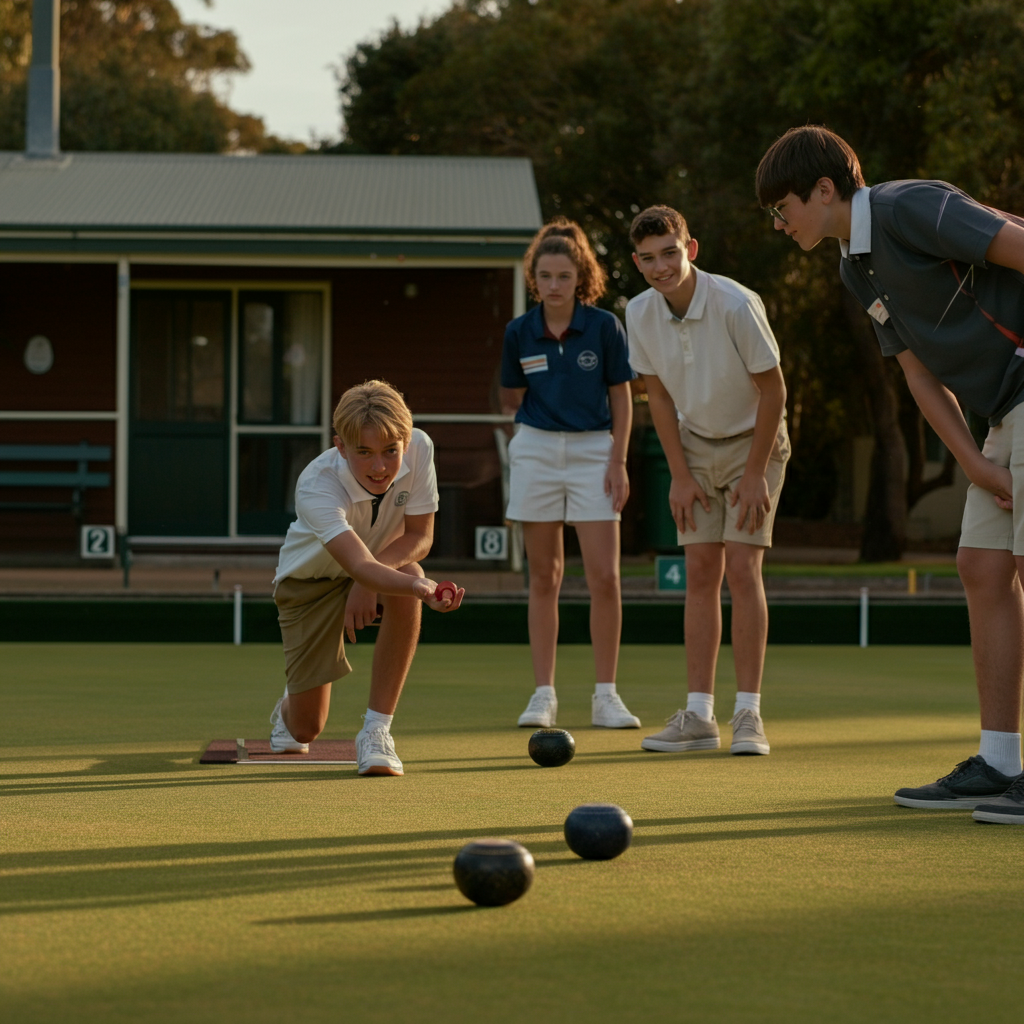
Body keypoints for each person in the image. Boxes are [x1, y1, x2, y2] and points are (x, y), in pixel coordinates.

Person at [756, 124, 1024, 824]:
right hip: (1003, 413)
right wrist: (971, 461)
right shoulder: (854, 264)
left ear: (822, 189)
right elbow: (918, 373)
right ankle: (1000, 759)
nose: (779, 224)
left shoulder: (910, 206)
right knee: (981, 566)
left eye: (782, 207)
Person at [626, 206, 789, 756]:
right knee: (700, 570)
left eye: (669, 252)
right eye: (648, 258)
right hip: (694, 447)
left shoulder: (736, 303)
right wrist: (678, 474)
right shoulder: (638, 312)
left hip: (756, 441)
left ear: (689, 248)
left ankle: (749, 715)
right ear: (637, 262)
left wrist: (752, 475)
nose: (661, 266)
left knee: (742, 567)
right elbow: (660, 397)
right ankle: (698, 717)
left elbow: (774, 393)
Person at [268, 379, 464, 776]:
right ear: (341, 447)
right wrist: (403, 585)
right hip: (310, 583)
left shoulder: (420, 448)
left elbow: (419, 536)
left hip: (377, 565)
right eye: (364, 453)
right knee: (305, 730)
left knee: (411, 573)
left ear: (406, 442)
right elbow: (358, 565)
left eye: (391, 451)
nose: (380, 467)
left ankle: (376, 732)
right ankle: (288, 704)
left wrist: (383, 583)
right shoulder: (317, 484)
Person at [500, 217, 641, 730]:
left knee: (605, 576)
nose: (554, 285)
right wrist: (531, 441)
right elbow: (510, 397)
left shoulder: (605, 327)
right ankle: (543, 695)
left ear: (580, 277)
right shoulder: (519, 332)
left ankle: (606, 696)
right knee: (545, 576)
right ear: (533, 278)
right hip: (536, 450)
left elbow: (622, 396)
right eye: (545, 276)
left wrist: (618, 459)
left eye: (564, 275)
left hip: (595, 454)